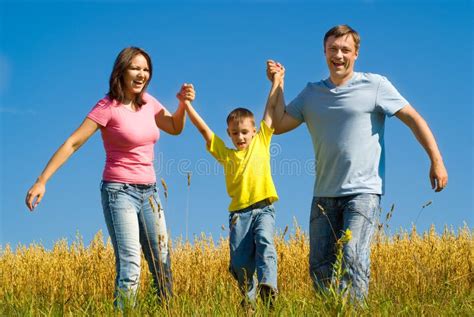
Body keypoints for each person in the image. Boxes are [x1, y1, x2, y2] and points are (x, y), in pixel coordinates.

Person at [266, 24, 448, 300]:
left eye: (345, 50)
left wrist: (436, 159)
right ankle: (330, 311)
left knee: (353, 257)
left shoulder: (375, 85)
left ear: (356, 53)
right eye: (332, 49)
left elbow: (414, 119)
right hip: (323, 194)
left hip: (363, 191)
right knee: (320, 267)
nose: (338, 55)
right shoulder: (311, 93)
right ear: (324, 52)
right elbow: (277, 125)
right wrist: (277, 83)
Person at [25, 47, 194, 308]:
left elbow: (174, 127)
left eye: (146, 69)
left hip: (150, 192)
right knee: (130, 264)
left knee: (161, 260)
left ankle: (167, 311)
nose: (142, 74)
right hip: (119, 192)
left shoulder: (149, 103)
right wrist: (42, 180)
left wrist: (182, 105)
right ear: (122, 71)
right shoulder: (108, 107)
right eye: (135, 68)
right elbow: (73, 142)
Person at [181, 70, 284, 308]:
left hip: (264, 208)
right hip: (239, 215)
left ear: (254, 132)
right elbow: (204, 131)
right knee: (239, 262)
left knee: (266, 242)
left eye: (245, 132)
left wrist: (276, 82)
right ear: (228, 134)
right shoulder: (226, 155)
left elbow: (269, 109)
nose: (240, 137)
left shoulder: (262, 142)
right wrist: (187, 106)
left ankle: (268, 287)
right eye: (235, 133)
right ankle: (248, 301)